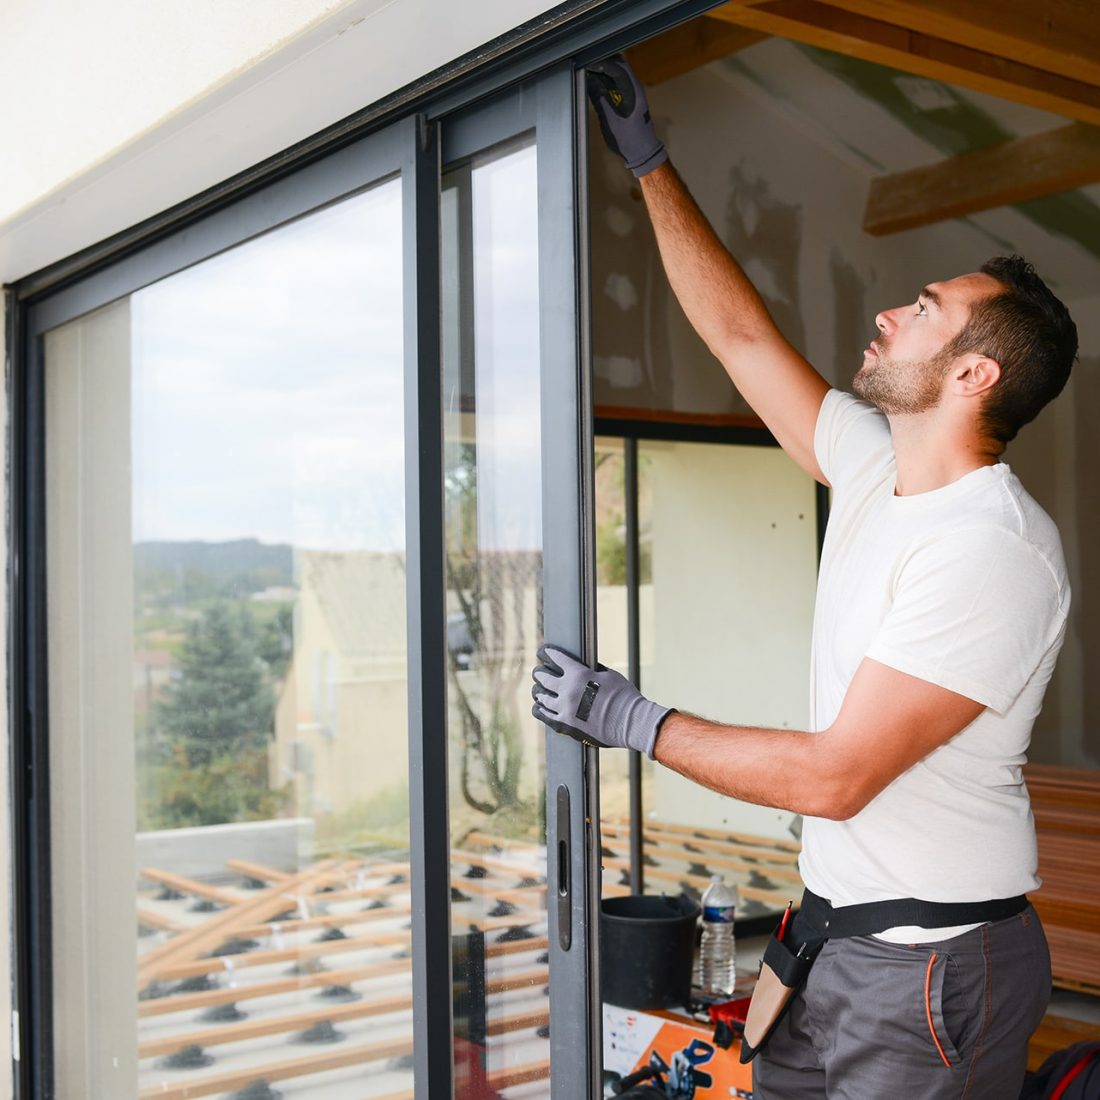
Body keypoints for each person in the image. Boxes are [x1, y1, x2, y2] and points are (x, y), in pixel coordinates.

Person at [531, 56, 1078, 1099]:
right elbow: (738, 337)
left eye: (921, 308)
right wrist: (648, 164)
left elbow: (835, 775)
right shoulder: (874, 460)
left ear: (973, 374)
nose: (887, 313)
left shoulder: (990, 548)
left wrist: (631, 718)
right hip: (827, 939)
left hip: (928, 972)